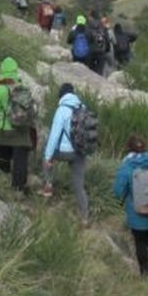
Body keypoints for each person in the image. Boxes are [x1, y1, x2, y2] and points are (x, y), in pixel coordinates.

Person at [112, 134, 148, 282]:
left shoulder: (127, 166)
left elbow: (118, 190)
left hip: (137, 213)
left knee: (140, 242)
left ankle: (145, 274)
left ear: (129, 148)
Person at [39, 83, 91, 224]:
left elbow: (54, 136)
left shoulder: (61, 110)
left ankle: (48, 185)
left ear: (61, 95)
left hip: (63, 152)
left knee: (45, 151)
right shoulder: (83, 108)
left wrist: (48, 157)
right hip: (80, 152)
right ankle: (85, 217)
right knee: (79, 186)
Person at [0, 57, 36, 194]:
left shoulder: (1, 88)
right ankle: (19, 188)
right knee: (20, 161)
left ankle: (0, 181)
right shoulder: (22, 86)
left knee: (0, 156)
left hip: (6, 130)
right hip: (22, 130)